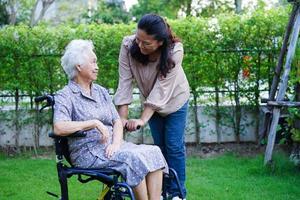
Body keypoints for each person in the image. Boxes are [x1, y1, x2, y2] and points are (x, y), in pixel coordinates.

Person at [53, 39, 168, 200]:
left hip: (112, 147)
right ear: (78, 66)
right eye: (93, 62)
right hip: (88, 152)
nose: (97, 66)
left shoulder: (100, 91)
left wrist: (116, 143)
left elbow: (116, 121)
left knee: (153, 151)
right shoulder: (65, 95)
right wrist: (94, 123)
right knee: (132, 158)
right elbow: (59, 127)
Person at [114, 14, 190, 200]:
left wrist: (141, 119)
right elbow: (124, 82)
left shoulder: (174, 51)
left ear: (160, 42)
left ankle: (177, 194)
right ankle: (162, 191)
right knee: (159, 148)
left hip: (175, 101)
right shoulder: (128, 45)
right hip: (150, 103)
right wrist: (122, 118)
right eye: (138, 39)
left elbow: (161, 89)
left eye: (146, 43)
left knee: (173, 146)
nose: (140, 45)